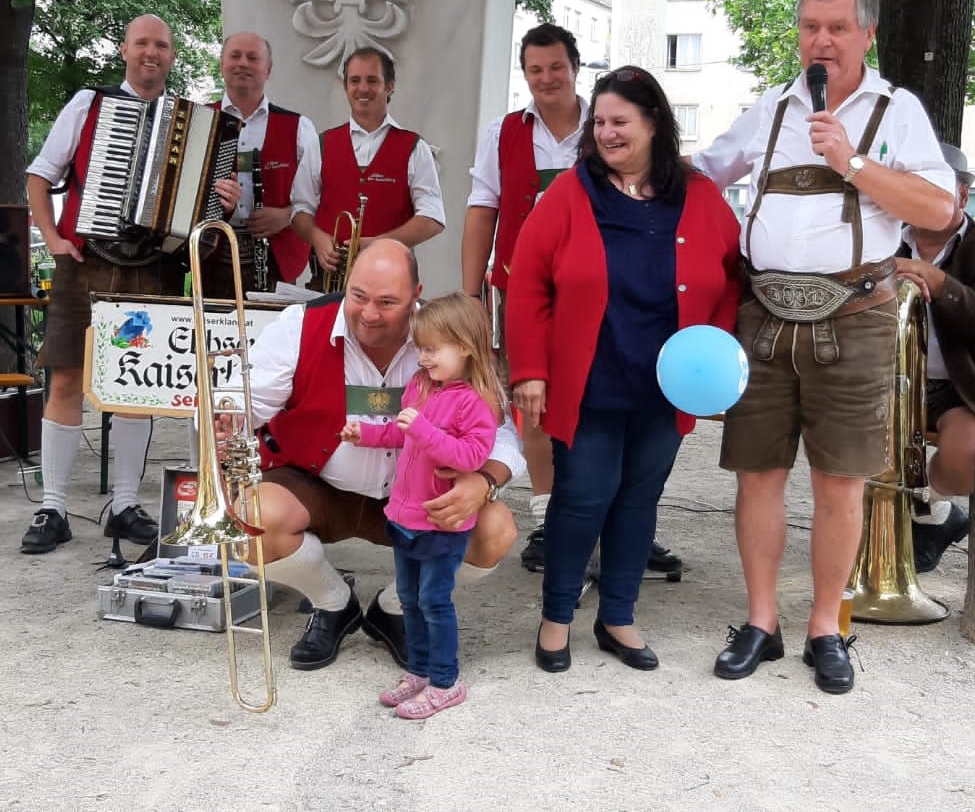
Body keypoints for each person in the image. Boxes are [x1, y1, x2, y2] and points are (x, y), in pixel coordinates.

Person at [693, 0, 955, 694]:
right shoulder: (772, 108)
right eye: (810, 26)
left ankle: (825, 627)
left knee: (839, 482)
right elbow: (704, 173)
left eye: (836, 28)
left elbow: (937, 208)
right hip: (764, 316)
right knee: (756, 475)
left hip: (854, 315)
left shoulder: (896, 111)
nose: (820, 41)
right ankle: (759, 622)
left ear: (867, 34)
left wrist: (853, 163)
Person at [507, 65, 742, 674]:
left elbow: (729, 281)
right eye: (600, 122)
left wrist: (713, 357)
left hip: (666, 382)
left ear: (654, 123)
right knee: (582, 497)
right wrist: (529, 369)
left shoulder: (699, 195)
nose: (607, 133)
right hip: (589, 377)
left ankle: (618, 616)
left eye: (620, 122)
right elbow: (527, 283)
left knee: (639, 499)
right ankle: (556, 618)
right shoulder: (570, 192)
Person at [236, 239, 523, 672]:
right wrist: (226, 419)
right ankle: (333, 604)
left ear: (416, 296)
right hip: (316, 489)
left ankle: (395, 609)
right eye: (359, 296)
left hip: (419, 497)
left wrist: (485, 482)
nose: (369, 314)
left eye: (387, 302)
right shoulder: (299, 325)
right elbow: (243, 404)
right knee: (251, 516)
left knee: (495, 531)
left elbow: (500, 430)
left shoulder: (446, 336)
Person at [460, 25, 684, 579]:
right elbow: (482, 207)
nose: (545, 79)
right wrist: (470, 293)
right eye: (535, 69)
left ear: (575, 67)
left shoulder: (609, 123)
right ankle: (549, 517)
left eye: (555, 67)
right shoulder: (503, 132)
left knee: (612, 401)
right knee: (532, 401)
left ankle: (620, 525)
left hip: (603, 292)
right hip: (523, 287)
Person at [20, 14, 180, 554]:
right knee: (65, 378)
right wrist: (52, 238)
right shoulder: (87, 103)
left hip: (151, 266)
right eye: (142, 43)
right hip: (84, 260)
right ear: (124, 50)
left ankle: (126, 504)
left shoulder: (187, 121)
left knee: (137, 384)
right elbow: (40, 175)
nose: (150, 53)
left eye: (160, 45)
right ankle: (54, 507)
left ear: (172, 55)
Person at [340, 291, 504, 719]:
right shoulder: (420, 385)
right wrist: (367, 435)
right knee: (410, 599)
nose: (423, 358)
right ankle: (419, 671)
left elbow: (469, 457)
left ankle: (446, 680)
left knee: (435, 600)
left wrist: (426, 429)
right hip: (406, 514)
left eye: (432, 349)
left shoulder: (476, 402)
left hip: (442, 524)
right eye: (421, 348)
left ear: (465, 347)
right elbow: (400, 433)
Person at [895, 142, 975, 572]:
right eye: (914, 188)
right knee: (847, 445)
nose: (924, 199)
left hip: (960, 385)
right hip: (890, 380)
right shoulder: (881, 237)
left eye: (936, 188)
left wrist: (941, 284)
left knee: (969, 454)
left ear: (962, 195)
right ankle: (935, 519)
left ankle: (926, 508)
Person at [289, 48, 445, 285]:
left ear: (390, 86)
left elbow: (432, 217)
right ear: (346, 87)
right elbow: (300, 209)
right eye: (354, 81)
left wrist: (382, 243)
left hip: (392, 280)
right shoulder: (320, 144)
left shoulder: (415, 147)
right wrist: (317, 238)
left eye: (372, 80)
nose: (362, 88)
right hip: (328, 282)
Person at [208, 32, 318, 290]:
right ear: (222, 65)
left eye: (253, 58)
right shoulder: (200, 121)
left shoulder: (299, 127)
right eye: (235, 56)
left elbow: (322, 193)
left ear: (268, 70)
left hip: (276, 259)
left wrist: (288, 216)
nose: (243, 63)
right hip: (211, 256)